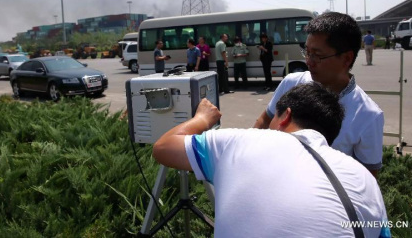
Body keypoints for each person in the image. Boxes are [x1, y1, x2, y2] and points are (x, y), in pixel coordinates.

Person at [153, 83, 390, 238]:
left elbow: (164, 147)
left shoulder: (241, 142)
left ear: (285, 116)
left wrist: (203, 119)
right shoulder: (365, 179)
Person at [253, 12, 384, 177]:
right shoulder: (291, 83)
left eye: (317, 55)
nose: (309, 61)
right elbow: (264, 121)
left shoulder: (368, 115)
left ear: (347, 59)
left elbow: (368, 176)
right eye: (307, 52)